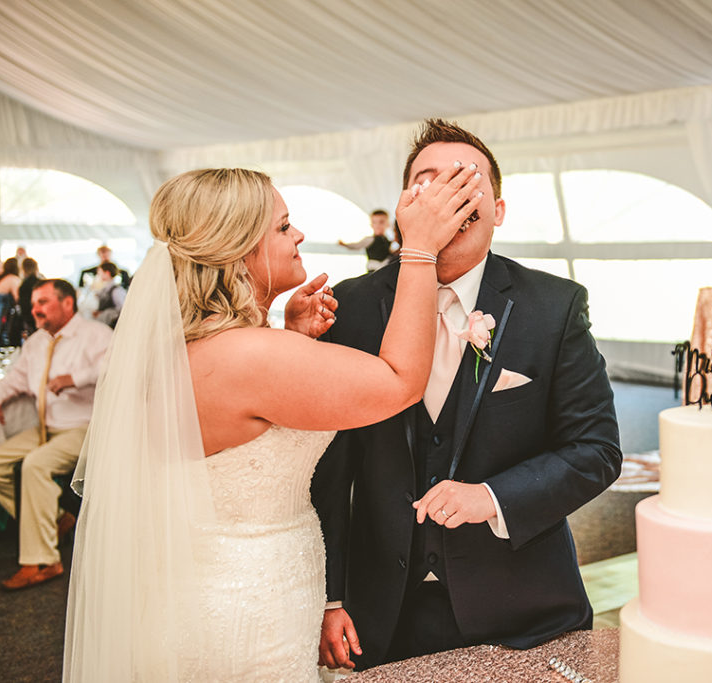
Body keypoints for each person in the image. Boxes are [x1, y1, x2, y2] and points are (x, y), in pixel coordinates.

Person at [63, 166, 481, 681]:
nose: (299, 235)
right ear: (239, 248)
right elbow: (398, 383)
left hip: (208, 589)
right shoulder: (253, 358)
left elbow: (250, 410)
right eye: (284, 227)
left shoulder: (190, 351)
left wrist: (288, 335)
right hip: (249, 607)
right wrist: (418, 250)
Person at [312, 119, 622, 670]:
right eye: (427, 180)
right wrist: (330, 597)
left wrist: (493, 497)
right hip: (382, 614)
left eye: (465, 178)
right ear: (406, 205)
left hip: (522, 613)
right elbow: (329, 469)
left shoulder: (553, 307)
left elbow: (597, 450)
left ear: (497, 210)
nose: (446, 193)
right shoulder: (351, 306)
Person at [0, 279, 113, 590]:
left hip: (83, 429)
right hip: (44, 429)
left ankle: (44, 561)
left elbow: (115, 368)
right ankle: (58, 517)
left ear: (67, 303)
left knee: (34, 465)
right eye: (34, 303)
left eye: (43, 302)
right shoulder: (36, 342)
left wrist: (74, 378)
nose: (35, 309)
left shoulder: (95, 334)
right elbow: (15, 379)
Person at [91, 262, 126, 328]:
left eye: (100, 272)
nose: (98, 275)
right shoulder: (104, 289)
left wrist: (103, 313)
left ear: (107, 273)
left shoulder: (117, 290)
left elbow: (122, 310)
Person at [19, 258, 42, 336]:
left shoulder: (23, 285)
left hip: (28, 317)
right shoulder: (40, 283)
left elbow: (22, 304)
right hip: (40, 315)